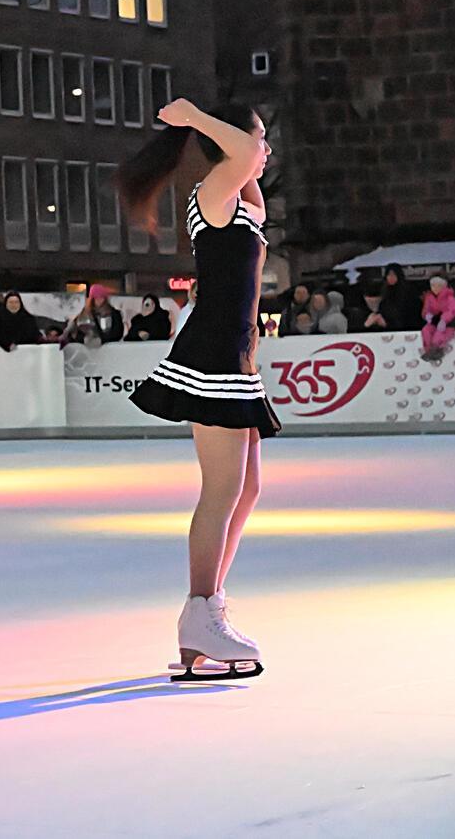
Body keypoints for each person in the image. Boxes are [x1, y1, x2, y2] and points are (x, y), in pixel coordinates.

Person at [118, 97, 277, 681]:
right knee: (222, 489)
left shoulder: (240, 198)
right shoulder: (212, 191)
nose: (266, 152)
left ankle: (208, 609)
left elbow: (249, 160)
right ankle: (200, 611)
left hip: (235, 355)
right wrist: (196, 118)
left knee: (248, 488)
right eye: (261, 140)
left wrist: (228, 136)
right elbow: (240, 151)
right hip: (212, 354)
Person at [421, 275, 455, 362]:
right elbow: (426, 310)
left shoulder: (450, 297)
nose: (435, 288)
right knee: (426, 330)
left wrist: (444, 319)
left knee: (439, 333)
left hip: (449, 324)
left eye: (438, 285)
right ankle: (429, 350)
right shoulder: (429, 297)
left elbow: (453, 311)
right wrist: (427, 315)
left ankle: (436, 349)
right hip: (434, 322)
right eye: (433, 285)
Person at [379, 263, 420, 332]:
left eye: (394, 274)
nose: (391, 277)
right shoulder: (385, 293)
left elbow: (410, 315)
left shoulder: (408, 292)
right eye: (389, 274)